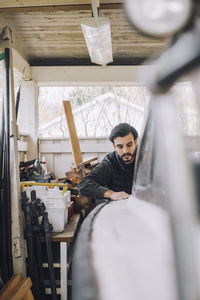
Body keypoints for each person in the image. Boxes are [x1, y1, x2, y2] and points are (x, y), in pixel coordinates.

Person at [78, 123, 138, 204]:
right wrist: (111, 194)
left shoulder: (146, 160)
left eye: (129, 145)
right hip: (115, 208)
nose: (125, 151)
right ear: (114, 146)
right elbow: (83, 185)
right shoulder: (109, 162)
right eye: (120, 147)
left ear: (136, 142)